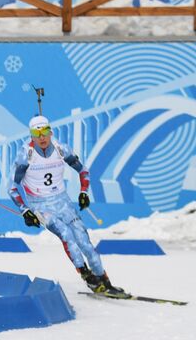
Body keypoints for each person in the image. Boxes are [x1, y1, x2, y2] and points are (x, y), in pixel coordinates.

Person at [10, 115, 123, 295]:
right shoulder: (26, 155)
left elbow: (83, 170)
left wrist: (83, 192)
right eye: (36, 133)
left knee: (85, 243)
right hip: (41, 206)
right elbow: (12, 187)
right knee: (67, 235)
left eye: (45, 132)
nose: (42, 137)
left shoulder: (61, 149)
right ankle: (88, 277)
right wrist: (25, 211)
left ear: (50, 132)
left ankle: (105, 282)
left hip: (62, 202)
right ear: (31, 136)